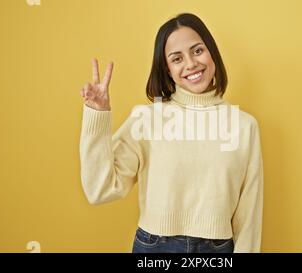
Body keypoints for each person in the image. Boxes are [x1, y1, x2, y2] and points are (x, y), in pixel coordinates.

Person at [79, 13, 264, 253]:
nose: (190, 64)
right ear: (167, 69)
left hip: (217, 250)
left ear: (212, 53)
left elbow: (249, 214)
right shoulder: (147, 119)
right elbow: (99, 189)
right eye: (177, 58)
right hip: (155, 247)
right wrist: (98, 116)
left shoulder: (245, 126)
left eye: (197, 51)